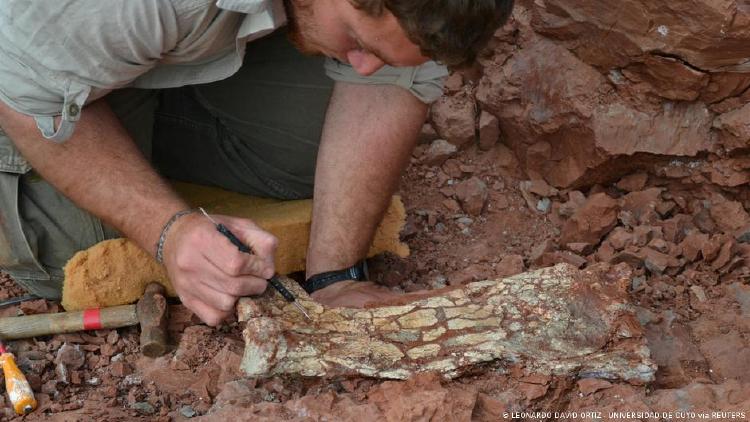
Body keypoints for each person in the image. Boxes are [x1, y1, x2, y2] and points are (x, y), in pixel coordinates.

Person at [0, 0, 513, 326]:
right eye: (357, 42)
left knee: (325, 166)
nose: (363, 64)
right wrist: (167, 230)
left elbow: (388, 80)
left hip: (134, 47)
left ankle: (126, 107)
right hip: (18, 67)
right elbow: (24, 94)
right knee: (77, 251)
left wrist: (334, 278)